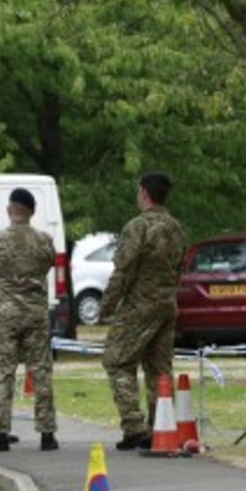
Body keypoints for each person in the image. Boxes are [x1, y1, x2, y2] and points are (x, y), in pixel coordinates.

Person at [100, 172, 187, 450]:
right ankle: (161, 427)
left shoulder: (138, 227)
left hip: (139, 306)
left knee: (116, 362)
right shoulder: (176, 228)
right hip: (166, 305)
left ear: (143, 193)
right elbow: (179, 268)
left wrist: (107, 307)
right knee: (159, 370)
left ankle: (134, 426)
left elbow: (123, 271)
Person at [0, 188, 58, 452]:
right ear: (32, 212)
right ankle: (47, 433)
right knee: (41, 371)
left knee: (4, 373)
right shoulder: (45, 240)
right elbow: (48, 266)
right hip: (36, 314)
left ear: (9, 210)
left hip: (5, 315)